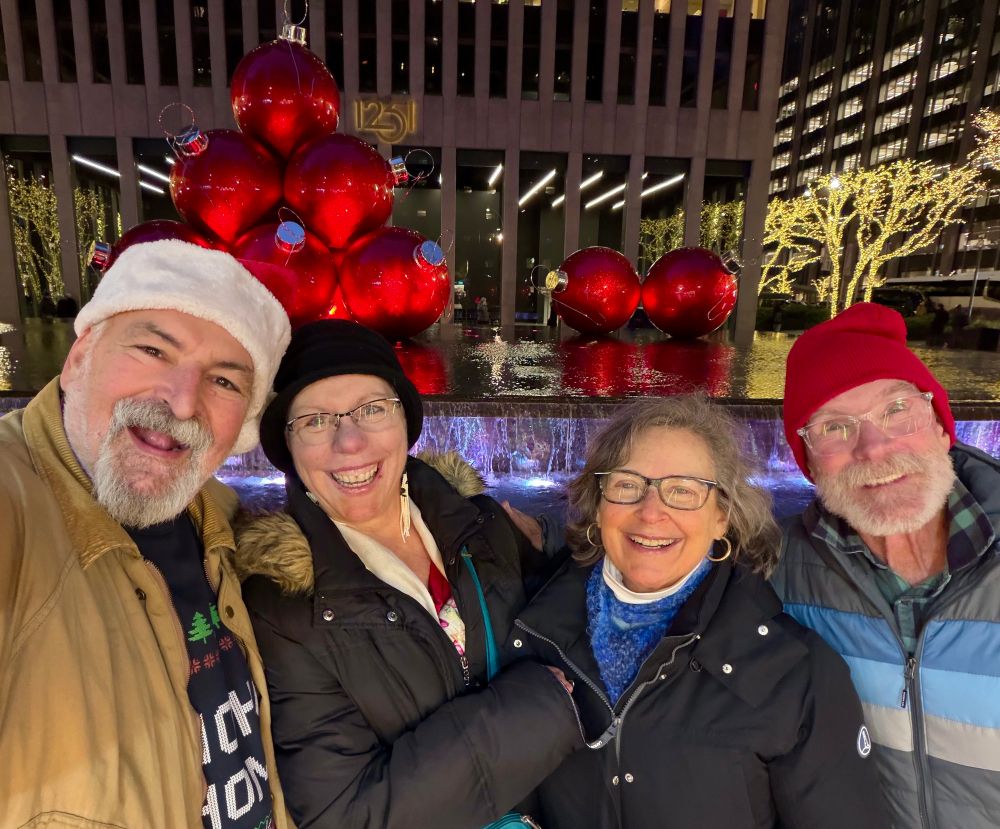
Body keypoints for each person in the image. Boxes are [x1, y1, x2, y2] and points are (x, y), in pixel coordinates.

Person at [234, 319, 583, 829]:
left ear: (405, 421)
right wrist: (538, 711)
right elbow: (347, 815)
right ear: (288, 447)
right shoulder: (285, 608)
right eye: (314, 420)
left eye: (372, 409)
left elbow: (574, 598)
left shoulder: (481, 525)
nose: (349, 442)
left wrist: (556, 540)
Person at [0, 239, 293, 828]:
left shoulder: (218, 517)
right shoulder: (15, 499)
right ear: (81, 354)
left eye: (226, 382)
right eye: (153, 350)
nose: (182, 402)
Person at [507, 395, 887, 829]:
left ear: (722, 516)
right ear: (598, 503)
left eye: (683, 491)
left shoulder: (798, 674)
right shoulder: (531, 633)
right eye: (628, 485)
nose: (651, 513)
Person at [773, 302, 1000, 828]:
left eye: (897, 409)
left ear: (942, 428)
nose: (874, 448)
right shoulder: (780, 574)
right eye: (835, 427)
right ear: (809, 464)